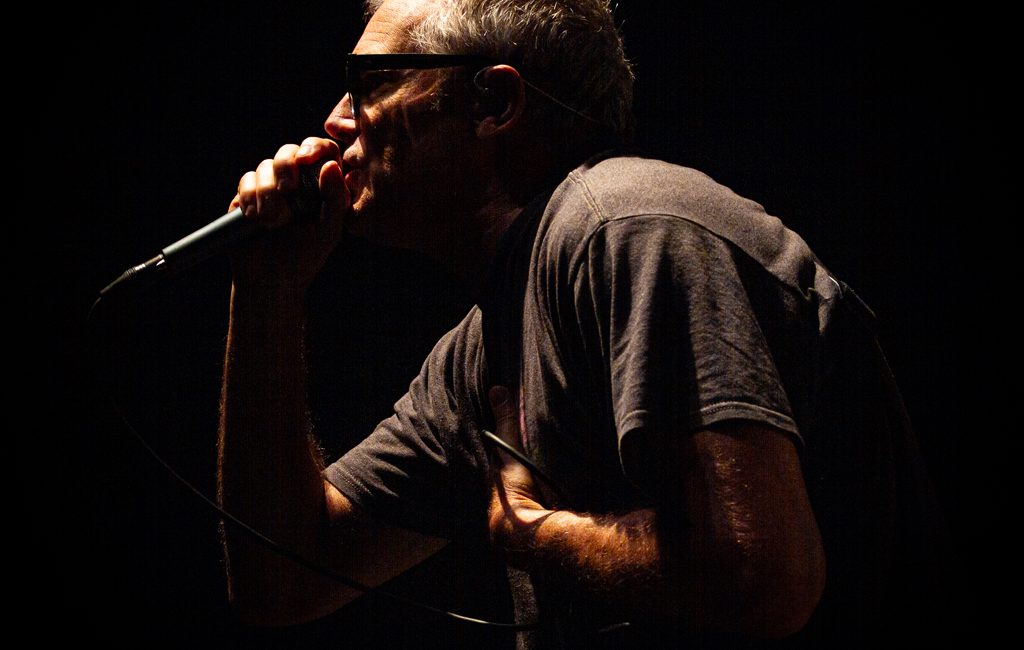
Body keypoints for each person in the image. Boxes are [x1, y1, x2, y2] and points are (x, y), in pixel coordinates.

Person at [217, 0, 951, 647]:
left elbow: (761, 577)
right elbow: (281, 579)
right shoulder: (480, 352)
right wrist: (268, 292)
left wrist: (537, 534)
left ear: (493, 102)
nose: (335, 120)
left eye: (370, 83)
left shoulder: (633, 229)